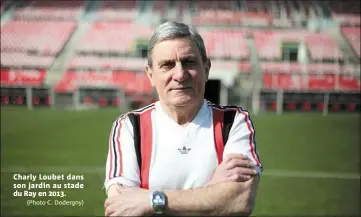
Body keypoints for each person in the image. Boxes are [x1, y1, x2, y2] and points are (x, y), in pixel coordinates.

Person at [104, 21, 263, 216]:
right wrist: (213, 191)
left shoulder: (233, 122)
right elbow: (121, 209)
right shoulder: (130, 127)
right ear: (150, 75)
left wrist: (151, 201)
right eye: (167, 65)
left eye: (188, 62)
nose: (180, 74)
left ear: (207, 68)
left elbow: (239, 201)